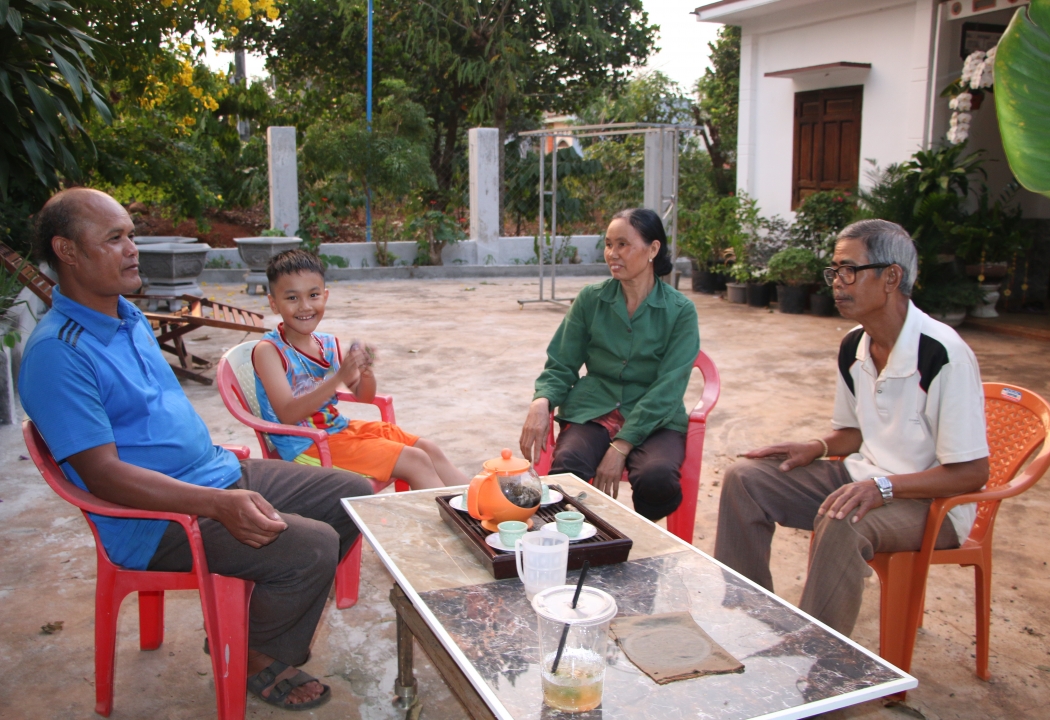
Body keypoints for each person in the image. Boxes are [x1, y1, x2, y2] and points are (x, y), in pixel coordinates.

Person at [19, 188, 369, 712]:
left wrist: (221, 486)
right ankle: (252, 656)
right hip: (156, 518)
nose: (132, 249)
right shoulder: (57, 354)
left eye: (131, 235)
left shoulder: (127, 317)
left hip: (214, 473)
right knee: (311, 547)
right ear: (66, 251)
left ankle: (248, 631)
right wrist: (214, 504)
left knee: (354, 494)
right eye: (114, 239)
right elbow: (102, 475)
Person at [714, 219, 990, 635]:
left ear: (891, 277)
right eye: (834, 272)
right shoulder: (854, 345)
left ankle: (819, 671)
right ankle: (746, 620)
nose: (837, 284)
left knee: (844, 521)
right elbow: (853, 433)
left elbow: (972, 473)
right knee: (745, 480)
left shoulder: (943, 353)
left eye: (849, 271)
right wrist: (816, 446)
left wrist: (884, 488)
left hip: (930, 502)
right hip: (863, 477)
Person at [519, 208, 700, 521]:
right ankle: (574, 545)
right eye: (608, 244)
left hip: (655, 415)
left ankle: (640, 549)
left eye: (623, 245)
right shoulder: (591, 299)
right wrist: (541, 400)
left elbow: (669, 387)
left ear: (653, 249)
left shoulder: (680, 311)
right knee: (568, 467)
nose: (612, 254)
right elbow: (562, 362)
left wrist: (621, 446)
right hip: (595, 407)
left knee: (657, 478)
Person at [251, 248, 466, 490]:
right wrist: (338, 378)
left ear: (325, 296)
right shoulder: (269, 351)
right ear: (273, 303)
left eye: (313, 295)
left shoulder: (326, 343)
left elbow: (363, 396)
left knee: (427, 449)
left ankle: (480, 509)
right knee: (415, 461)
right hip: (305, 445)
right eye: (292, 298)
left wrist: (365, 372)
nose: (304, 306)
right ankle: (455, 521)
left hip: (339, 430)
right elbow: (288, 415)